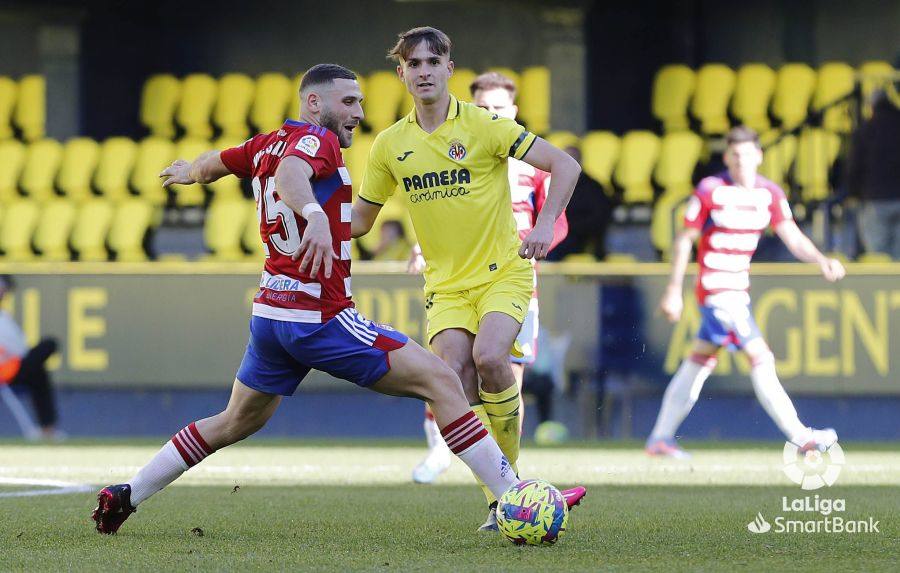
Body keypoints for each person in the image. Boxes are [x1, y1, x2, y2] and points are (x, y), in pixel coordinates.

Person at [91, 63, 585, 535]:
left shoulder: (265, 142)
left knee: (234, 420)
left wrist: (188, 171)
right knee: (441, 378)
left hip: (271, 315)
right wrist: (316, 214)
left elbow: (214, 164)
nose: (358, 112)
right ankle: (516, 498)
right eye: (348, 101)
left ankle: (127, 494)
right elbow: (291, 177)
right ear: (313, 102)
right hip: (319, 317)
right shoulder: (316, 139)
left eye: (360, 102)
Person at [351, 28, 583, 531]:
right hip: (447, 285)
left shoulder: (485, 126)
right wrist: (302, 223)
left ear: (449, 69)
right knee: (450, 381)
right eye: (414, 64)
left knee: (491, 357)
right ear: (402, 74)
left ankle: (510, 488)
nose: (424, 71)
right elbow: (361, 222)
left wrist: (544, 227)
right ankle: (503, 496)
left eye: (433, 62)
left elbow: (565, 165)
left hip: (504, 273)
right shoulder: (391, 144)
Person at [408, 72, 569, 496]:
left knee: (501, 369)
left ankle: (507, 477)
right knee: (450, 368)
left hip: (515, 278)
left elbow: (559, 221)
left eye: (499, 108)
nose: (491, 114)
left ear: (513, 112)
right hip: (459, 278)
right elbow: (437, 208)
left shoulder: (531, 165)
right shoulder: (459, 151)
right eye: (484, 107)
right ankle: (474, 467)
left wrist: (540, 233)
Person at [646, 126, 846, 458]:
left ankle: (660, 438)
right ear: (726, 157)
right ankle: (801, 437)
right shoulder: (711, 190)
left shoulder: (769, 194)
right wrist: (673, 291)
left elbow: (792, 237)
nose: (740, 161)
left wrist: (821, 260)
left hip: (739, 291)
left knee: (698, 362)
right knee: (761, 357)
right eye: (734, 155)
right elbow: (684, 240)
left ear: (759, 156)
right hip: (716, 289)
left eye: (746, 154)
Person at [0, 275, 62, 440]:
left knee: (39, 373)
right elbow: (18, 348)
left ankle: (47, 430)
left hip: (13, 367)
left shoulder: (4, 317)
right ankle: (47, 429)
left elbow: (20, 348)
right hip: (6, 371)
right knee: (48, 346)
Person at [848, 89, 900, 259]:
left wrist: (853, 192)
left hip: (875, 198)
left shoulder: (866, 129)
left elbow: (855, 165)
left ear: (872, 106)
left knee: (877, 252)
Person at [546, 145, 613, 261]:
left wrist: (568, 227)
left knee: (550, 251)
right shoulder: (552, 183)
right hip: (556, 234)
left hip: (580, 238)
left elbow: (598, 219)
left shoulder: (593, 188)